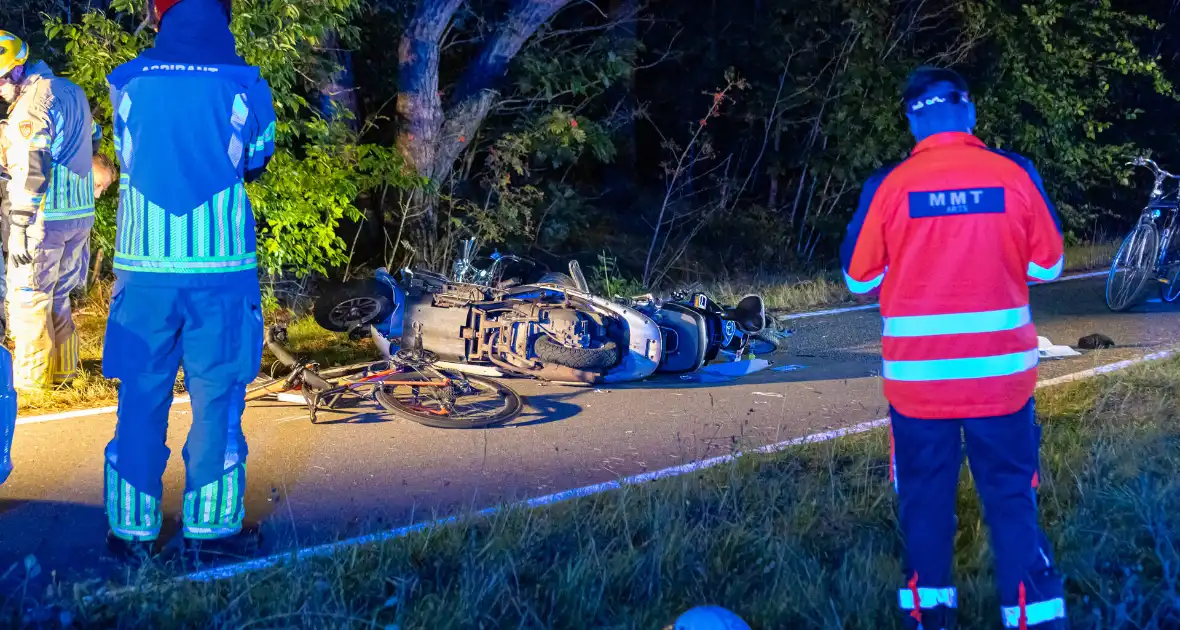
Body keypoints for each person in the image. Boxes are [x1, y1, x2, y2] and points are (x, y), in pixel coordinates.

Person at [841, 66, 1067, 630]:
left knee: (924, 504)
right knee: (1012, 500)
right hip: (1002, 381)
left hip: (920, 387)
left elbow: (858, 279)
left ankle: (928, 618)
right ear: (968, 111)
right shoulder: (1014, 175)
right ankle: (1034, 618)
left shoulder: (888, 187)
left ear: (912, 119)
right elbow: (1050, 263)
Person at [101, 0, 275, 559]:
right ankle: (212, 529)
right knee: (217, 399)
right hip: (219, 273)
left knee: (141, 396)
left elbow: (130, 157)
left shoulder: (127, 82)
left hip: (144, 272)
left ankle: (131, 533)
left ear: (159, 16)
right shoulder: (246, 84)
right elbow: (255, 159)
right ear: (222, 16)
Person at [0, 30, 101, 391]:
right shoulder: (70, 89)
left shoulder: (31, 105)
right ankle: (65, 375)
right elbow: (95, 137)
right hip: (79, 213)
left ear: (14, 70)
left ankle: (32, 387)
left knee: (28, 298)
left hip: (43, 218)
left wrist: (19, 224)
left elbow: (33, 164)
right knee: (58, 298)